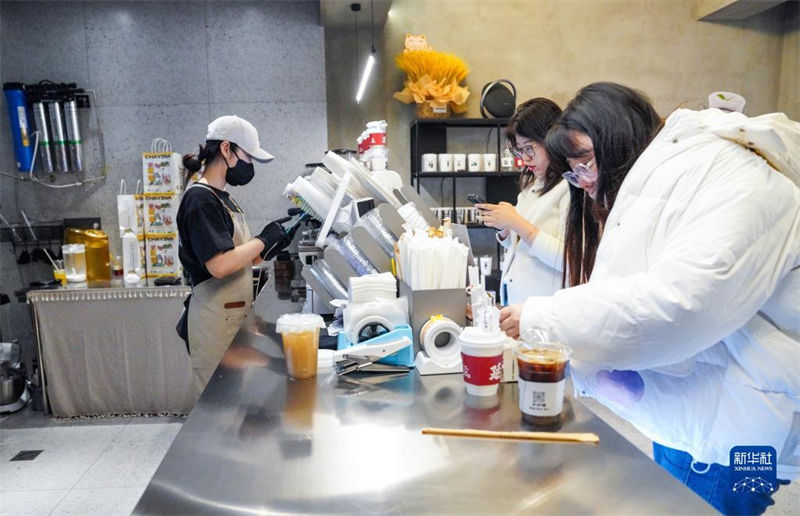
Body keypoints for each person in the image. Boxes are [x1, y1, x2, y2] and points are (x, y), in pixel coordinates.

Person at [498, 82, 800, 514]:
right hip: (694, 413)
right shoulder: (669, 177)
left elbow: (680, 305)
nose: (582, 183)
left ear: (619, 136)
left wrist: (545, 317)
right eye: (573, 170)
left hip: (734, 436)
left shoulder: (736, 178)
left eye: (585, 163)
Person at [177, 115, 296, 397]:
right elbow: (219, 265)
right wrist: (262, 239)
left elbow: (239, 258)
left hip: (229, 314)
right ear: (227, 149)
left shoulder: (223, 197)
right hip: (213, 318)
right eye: (248, 157)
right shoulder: (200, 199)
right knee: (217, 412)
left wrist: (271, 246)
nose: (250, 166)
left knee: (233, 408)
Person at [476, 98, 570, 304]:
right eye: (520, 150)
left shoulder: (570, 188)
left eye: (530, 148)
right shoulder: (532, 186)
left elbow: (569, 260)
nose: (525, 158)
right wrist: (505, 228)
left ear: (552, 139)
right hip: (519, 305)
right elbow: (519, 243)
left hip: (548, 309)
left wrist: (516, 221)